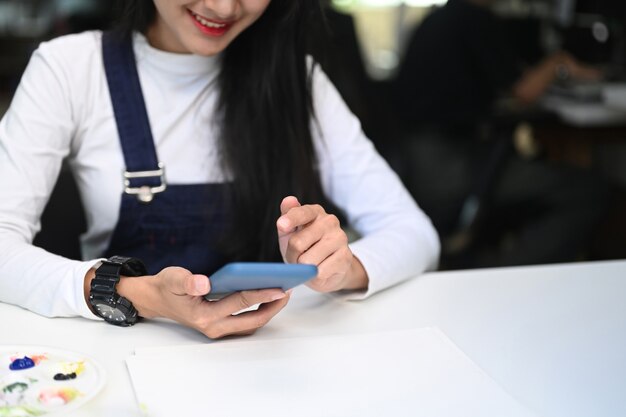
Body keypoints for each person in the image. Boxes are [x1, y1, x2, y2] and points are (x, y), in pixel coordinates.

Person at [0, 0, 439, 338]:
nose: (224, 8)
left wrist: (342, 268)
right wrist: (135, 294)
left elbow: (414, 232)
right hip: (126, 352)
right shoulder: (70, 69)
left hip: (271, 360)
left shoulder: (295, 78)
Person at [393, 0, 608, 268]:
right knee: (588, 190)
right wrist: (559, 63)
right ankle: (503, 269)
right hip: (449, 168)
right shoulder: (472, 18)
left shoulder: (441, 17)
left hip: (421, 162)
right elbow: (523, 92)